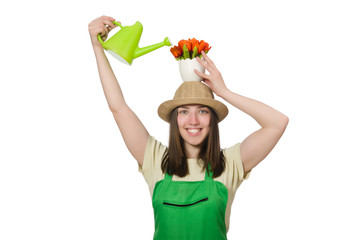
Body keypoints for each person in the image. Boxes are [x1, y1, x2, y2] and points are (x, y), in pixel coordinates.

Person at [88, 15, 289, 240]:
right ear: (174, 120)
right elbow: (119, 108)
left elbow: (277, 123)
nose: (193, 120)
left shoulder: (230, 164)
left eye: (203, 111)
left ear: (213, 119)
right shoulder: (155, 160)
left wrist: (225, 92)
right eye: (184, 112)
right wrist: (97, 47)